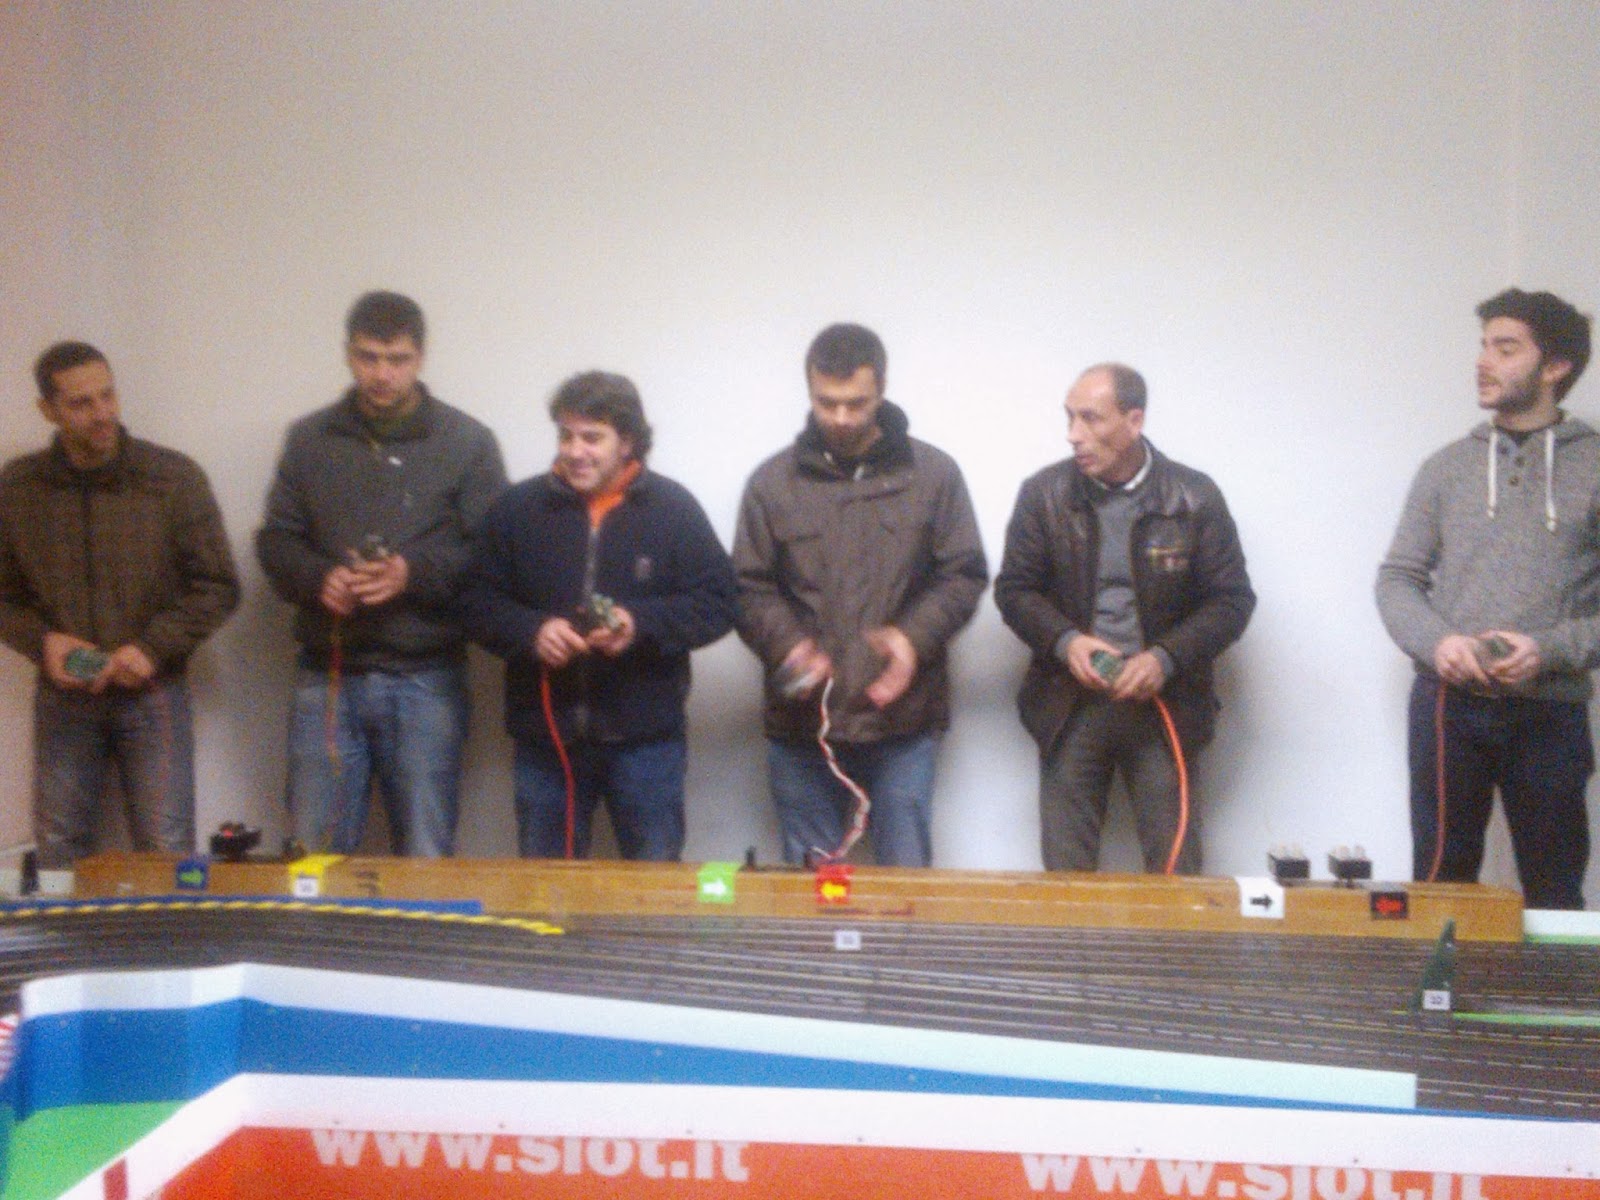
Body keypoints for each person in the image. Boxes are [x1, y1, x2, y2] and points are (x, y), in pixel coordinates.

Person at [257, 291, 506, 858]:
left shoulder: (468, 442)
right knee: (313, 860)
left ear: (421, 357)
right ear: (348, 353)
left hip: (427, 675)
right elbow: (275, 541)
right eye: (368, 357)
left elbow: (491, 554)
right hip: (327, 674)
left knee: (424, 858)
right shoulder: (309, 439)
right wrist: (319, 578)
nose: (382, 374)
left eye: (397, 359)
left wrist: (409, 574)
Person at [732, 323, 987, 867]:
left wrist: (912, 638)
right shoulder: (771, 484)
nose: (842, 418)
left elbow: (963, 574)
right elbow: (747, 586)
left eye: (857, 403)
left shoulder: (934, 475)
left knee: (904, 886)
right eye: (827, 403)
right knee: (816, 889)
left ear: (882, 390)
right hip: (803, 725)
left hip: (903, 722)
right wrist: (788, 646)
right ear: (809, 391)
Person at [1376, 288, 1595, 910]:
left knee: (1554, 890)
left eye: (1506, 349)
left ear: (1555, 366)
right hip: (1448, 706)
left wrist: (1550, 649)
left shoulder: (1594, 465)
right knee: (1441, 884)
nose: (1483, 362)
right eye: (1483, 346)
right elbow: (1397, 578)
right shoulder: (1445, 468)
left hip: (1551, 711)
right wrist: (1438, 642)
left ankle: (1551, 981)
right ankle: (1444, 981)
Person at [460, 371, 736, 860]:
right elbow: (473, 599)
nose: (575, 451)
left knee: (653, 887)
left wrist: (640, 625)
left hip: (646, 743)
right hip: (546, 744)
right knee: (548, 890)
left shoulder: (673, 509)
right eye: (566, 435)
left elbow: (720, 601)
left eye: (592, 437)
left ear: (627, 441)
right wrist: (531, 631)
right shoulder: (517, 510)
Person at [994, 363, 1254, 875]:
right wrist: (1066, 642)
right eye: (1069, 418)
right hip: (1070, 707)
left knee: (1176, 874)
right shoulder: (1043, 495)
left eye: (1090, 418)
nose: (1074, 435)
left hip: (1165, 707)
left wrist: (1165, 658)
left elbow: (1231, 601)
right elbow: (1014, 591)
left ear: (1134, 421)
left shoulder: (1194, 497)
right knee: (1066, 880)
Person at [0, 341, 239, 866]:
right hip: (64, 699)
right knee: (59, 852)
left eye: (108, 395)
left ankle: (167, 928)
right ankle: (60, 922)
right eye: (81, 403)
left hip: (153, 691)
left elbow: (219, 585)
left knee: (167, 852)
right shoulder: (17, 488)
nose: (102, 413)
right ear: (48, 410)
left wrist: (152, 648)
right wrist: (41, 643)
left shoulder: (173, 479)